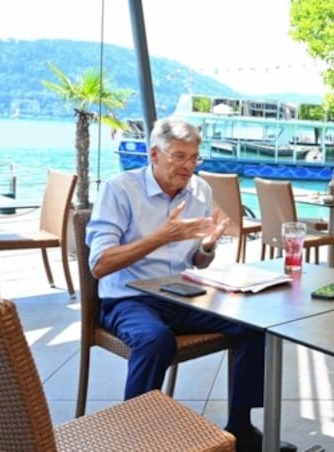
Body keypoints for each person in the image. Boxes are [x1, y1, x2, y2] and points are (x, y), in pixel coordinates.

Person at [86, 117, 294, 452]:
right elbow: (99, 264)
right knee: (155, 341)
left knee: (255, 325)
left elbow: (197, 261)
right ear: (154, 154)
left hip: (181, 293)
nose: (188, 166)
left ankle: (241, 428)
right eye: (179, 156)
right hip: (128, 297)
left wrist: (208, 247)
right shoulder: (120, 189)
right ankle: (133, 438)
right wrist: (162, 236)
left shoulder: (200, 190)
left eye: (194, 157)